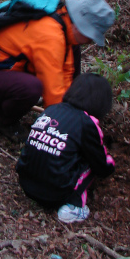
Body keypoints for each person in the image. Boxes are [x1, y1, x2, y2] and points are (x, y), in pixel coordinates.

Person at [0, 0, 115, 141]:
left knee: (73, 50)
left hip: (11, 71)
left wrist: (71, 106)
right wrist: (65, 127)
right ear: (80, 26)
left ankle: (69, 109)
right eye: (90, 37)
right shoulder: (51, 36)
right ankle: (2, 121)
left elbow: (66, 72)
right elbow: (53, 91)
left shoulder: (63, 20)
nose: (89, 41)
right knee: (32, 88)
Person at [16, 73, 115, 223]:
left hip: (25, 183)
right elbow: (102, 166)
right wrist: (111, 163)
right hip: (54, 195)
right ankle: (73, 206)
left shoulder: (51, 110)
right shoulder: (87, 123)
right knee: (91, 160)